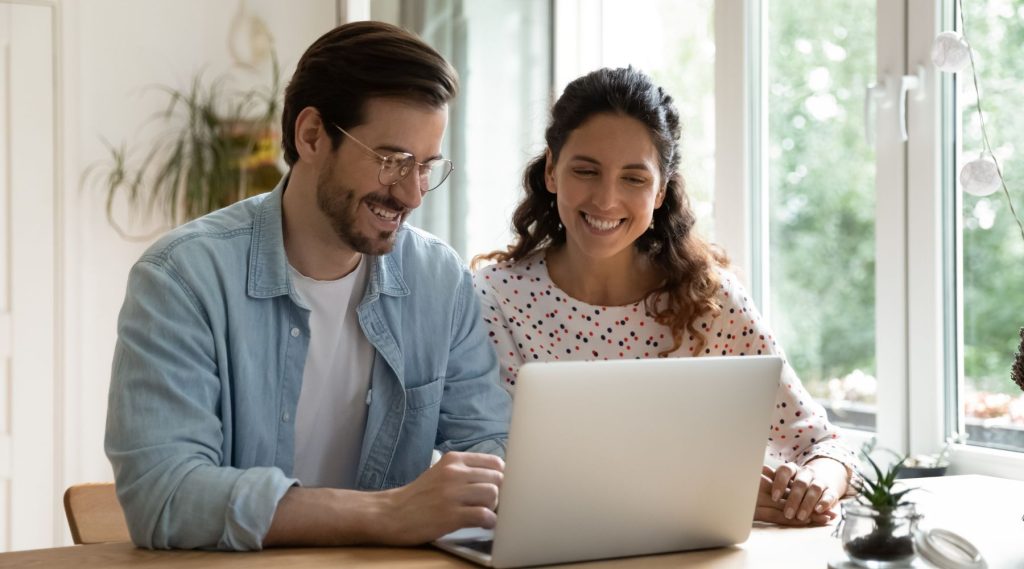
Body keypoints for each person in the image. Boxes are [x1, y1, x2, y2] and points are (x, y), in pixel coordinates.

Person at [105, 21, 510, 551]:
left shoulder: (440, 280)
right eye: (392, 161)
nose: (411, 194)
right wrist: (387, 513)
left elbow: (492, 443)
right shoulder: (182, 279)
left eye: (427, 167)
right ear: (312, 135)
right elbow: (165, 493)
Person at [472, 67, 858, 527]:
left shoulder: (707, 299)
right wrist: (702, 494)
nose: (606, 199)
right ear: (552, 170)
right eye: (586, 170)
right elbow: (492, 474)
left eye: (634, 178)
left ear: (660, 192)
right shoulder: (495, 297)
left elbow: (826, 444)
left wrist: (813, 487)